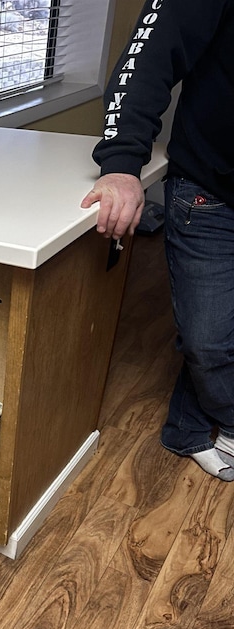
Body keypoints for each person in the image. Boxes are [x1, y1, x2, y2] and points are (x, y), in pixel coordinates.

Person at [81, 0, 234, 481]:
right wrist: (122, 164)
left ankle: (189, 426)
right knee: (208, 339)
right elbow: (147, 55)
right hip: (211, 190)